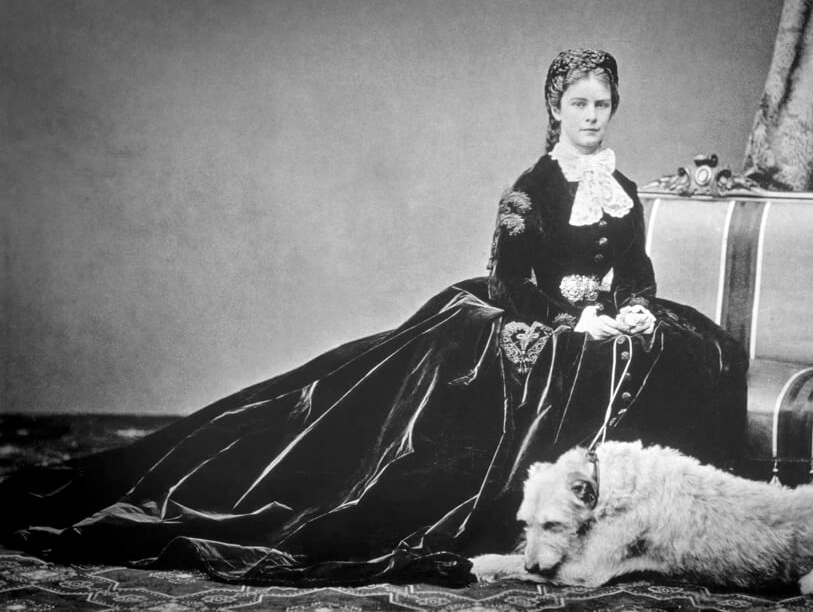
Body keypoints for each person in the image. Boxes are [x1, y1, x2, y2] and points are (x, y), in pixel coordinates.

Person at [1, 49, 747, 587]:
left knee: (689, 351)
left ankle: (628, 528)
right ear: (555, 108)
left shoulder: (621, 187)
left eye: (601, 105)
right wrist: (572, 322)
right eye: (579, 104)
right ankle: (512, 514)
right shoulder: (529, 189)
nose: (590, 117)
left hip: (603, 322)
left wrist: (634, 309)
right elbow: (508, 280)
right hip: (536, 320)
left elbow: (636, 269)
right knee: (485, 394)